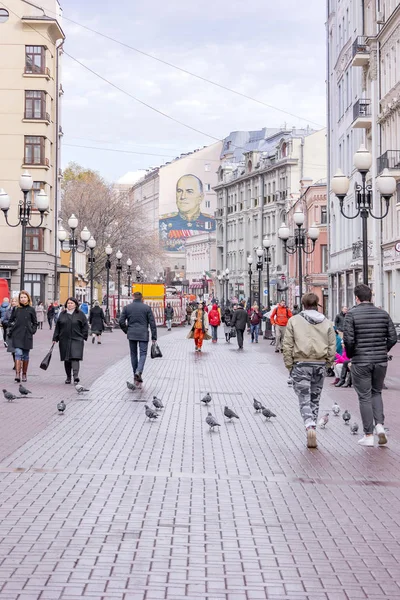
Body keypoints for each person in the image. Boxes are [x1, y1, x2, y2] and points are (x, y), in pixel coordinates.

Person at [343, 284, 397, 447]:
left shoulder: (351, 315)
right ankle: (379, 426)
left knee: (364, 396)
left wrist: (352, 355)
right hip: (380, 361)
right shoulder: (383, 314)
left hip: (361, 360)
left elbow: (349, 340)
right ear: (371, 297)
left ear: (357, 298)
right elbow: (393, 337)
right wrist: (383, 349)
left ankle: (368, 435)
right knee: (376, 392)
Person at [282, 293, 336, 449]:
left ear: (303, 304)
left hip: (301, 364)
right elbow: (332, 346)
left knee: (304, 397)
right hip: (319, 364)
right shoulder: (326, 322)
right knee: (315, 398)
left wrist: (289, 365)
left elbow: (287, 345)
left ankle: (309, 425)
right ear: (317, 304)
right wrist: (328, 363)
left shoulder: (294, 321)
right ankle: (313, 426)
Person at [159, 175, 216, 252]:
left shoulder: (213, 223)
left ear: (200, 197)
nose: (182, 196)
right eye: (179, 191)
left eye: (189, 191)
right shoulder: (164, 222)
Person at [119, 291, 157, 383]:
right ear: (141, 298)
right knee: (143, 354)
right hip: (143, 333)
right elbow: (152, 323)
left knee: (133, 354)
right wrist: (154, 336)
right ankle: (139, 371)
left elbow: (121, 321)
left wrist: (127, 330)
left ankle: (135, 373)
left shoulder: (127, 308)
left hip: (131, 333)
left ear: (133, 297)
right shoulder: (147, 308)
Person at [53, 297, 89, 384]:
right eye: (68, 303)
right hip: (64, 339)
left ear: (76, 305)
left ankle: (75, 376)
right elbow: (58, 327)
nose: (70, 305)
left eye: (72, 303)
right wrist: (55, 338)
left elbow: (85, 326)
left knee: (75, 357)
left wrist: (83, 336)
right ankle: (68, 377)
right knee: (67, 359)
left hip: (77, 339)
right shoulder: (62, 314)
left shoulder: (80, 314)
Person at [8, 291, 37, 383]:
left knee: (25, 355)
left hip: (27, 335)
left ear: (28, 298)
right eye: (21, 297)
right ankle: (17, 373)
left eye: (24, 297)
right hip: (17, 334)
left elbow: (35, 322)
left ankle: (24, 373)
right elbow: (10, 321)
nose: (23, 299)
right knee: (18, 353)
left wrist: (32, 330)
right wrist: (13, 327)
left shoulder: (31, 309)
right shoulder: (16, 309)